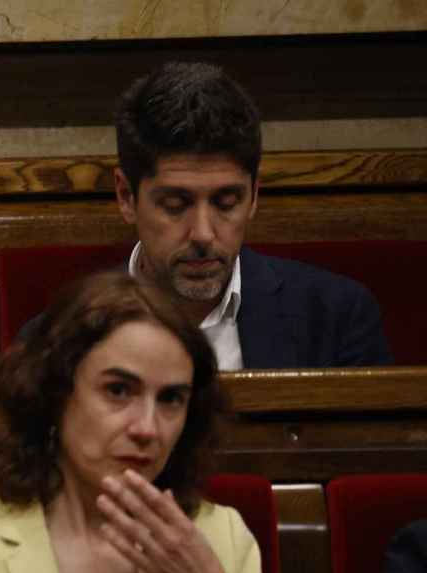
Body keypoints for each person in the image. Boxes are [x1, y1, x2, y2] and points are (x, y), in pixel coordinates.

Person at [22, 61, 392, 370]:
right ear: (126, 197)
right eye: (175, 204)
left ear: (254, 196)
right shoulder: (58, 338)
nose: (203, 234)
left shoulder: (336, 317)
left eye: (226, 202)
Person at [0, 271, 260, 573]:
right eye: (118, 391)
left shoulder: (221, 538)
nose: (148, 429)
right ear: (55, 392)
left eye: (171, 399)